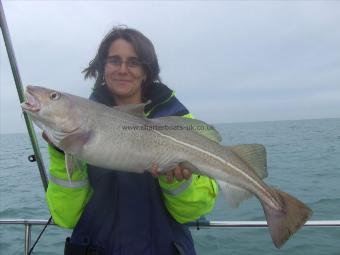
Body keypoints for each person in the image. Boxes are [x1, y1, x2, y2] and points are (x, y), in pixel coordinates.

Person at [45, 26, 218, 255]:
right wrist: (61, 154)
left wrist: (176, 181)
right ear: (103, 67)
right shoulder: (81, 125)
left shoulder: (179, 121)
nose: (123, 69)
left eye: (134, 62)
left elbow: (193, 213)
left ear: (146, 71)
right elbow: (66, 217)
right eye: (114, 61)